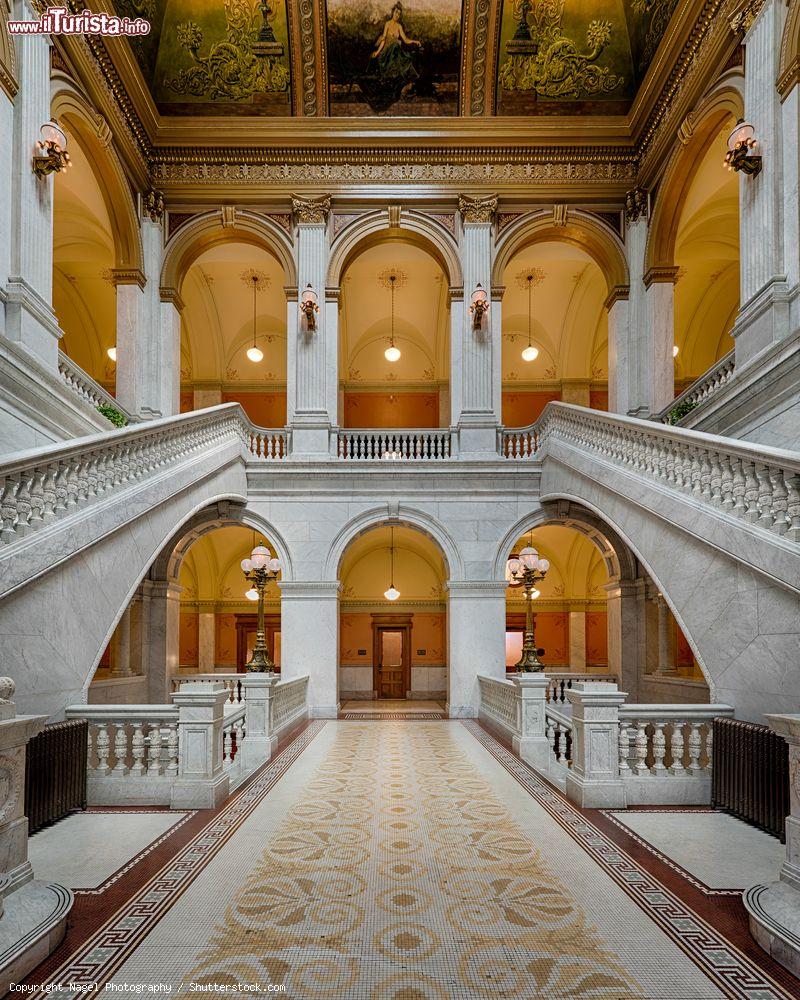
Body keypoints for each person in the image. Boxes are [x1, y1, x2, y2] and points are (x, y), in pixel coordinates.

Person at [370, 2, 422, 97]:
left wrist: (415, 41)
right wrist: (377, 52)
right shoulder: (387, 24)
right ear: (392, 12)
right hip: (387, 53)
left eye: (399, 14)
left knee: (401, 52)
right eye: (396, 12)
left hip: (396, 53)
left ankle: (403, 88)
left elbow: (405, 40)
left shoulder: (399, 26)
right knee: (395, 45)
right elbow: (383, 40)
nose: (397, 15)